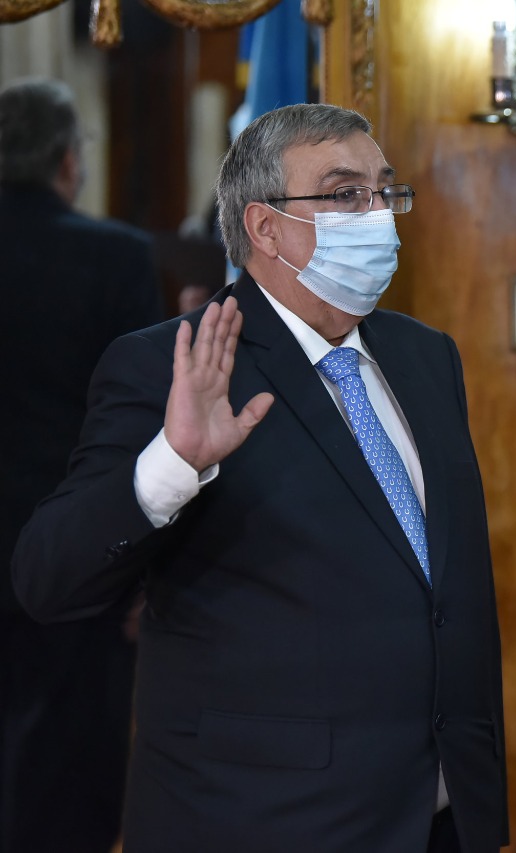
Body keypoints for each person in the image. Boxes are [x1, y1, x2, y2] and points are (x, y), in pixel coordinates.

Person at [12, 103, 508, 852]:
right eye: (345, 194)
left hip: (440, 814)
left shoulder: (426, 355)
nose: (377, 214)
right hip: (264, 819)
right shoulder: (171, 364)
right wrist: (173, 462)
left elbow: (439, 592)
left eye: (384, 190)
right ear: (265, 228)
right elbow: (47, 577)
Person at [0, 77, 163, 853]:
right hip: (78, 560)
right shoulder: (116, 257)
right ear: (69, 160)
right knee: (67, 785)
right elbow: (142, 428)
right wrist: (146, 566)